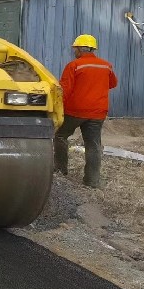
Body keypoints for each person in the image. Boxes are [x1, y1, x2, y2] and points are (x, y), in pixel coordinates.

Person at [53, 34, 118, 188]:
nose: (74, 51)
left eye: (75, 48)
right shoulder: (106, 65)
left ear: (80, 49)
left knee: (61, 135)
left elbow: (65, 90)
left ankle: (61, 170)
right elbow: (113, 83)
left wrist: (56, 108)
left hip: (75, 111)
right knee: (93, 144)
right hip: (97, 113)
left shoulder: (74, 66)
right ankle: (92, 181)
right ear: (92, 49)